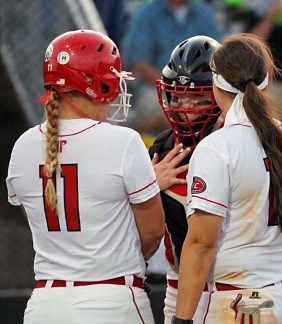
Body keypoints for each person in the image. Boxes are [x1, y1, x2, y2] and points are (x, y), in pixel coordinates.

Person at [5, 30, 165, 324]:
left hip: (44, 304)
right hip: (110, 300)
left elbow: (45, 221)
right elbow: (153, 232)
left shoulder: (23, 146)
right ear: (95, 82)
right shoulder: (124, 142)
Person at [173, 33, 282, 324]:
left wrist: (181, 319)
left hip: (239, 303)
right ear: (266, 81)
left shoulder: (217, 147)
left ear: (217, 84)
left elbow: (201, 244)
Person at [148, 35, 223, 323]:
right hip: (177, 283)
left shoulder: (235, 142)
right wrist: (147, 189)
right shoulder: (163, 147)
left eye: (196, 98)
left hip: (231, 284)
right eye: (177, 96)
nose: (183, 106)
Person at [121, 0, 223, 141]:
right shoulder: (146, 12)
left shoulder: (204, 12)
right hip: (156, 85)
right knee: (160, 103)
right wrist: (174, 88)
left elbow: (217, 57)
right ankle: (163, 143)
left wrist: (189, 89)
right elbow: (139, 63)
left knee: (213, 103)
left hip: (200, 87)